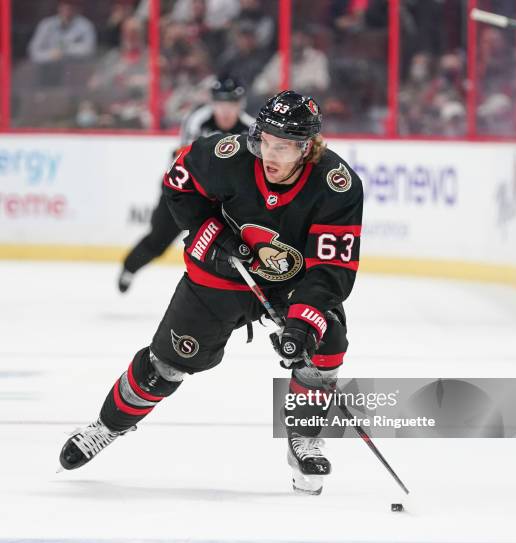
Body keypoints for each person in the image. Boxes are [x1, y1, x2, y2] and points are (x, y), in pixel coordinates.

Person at [59, 90, 364, 496]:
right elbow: (178, 184)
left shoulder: (336, 186)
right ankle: (107, 426)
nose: (270, 156)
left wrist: (301, 323)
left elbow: (330, 269)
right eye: (265, 143)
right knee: (164, 367)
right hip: (218, 278)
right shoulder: (227, 155)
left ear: (307, 149)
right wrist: (210, 236)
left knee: (325, 341)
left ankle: (302, 439)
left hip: (290, 284)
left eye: (284, 148)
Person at [117, 76, 254, 292]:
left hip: (220, 198)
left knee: (229, 246)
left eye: (232, 104)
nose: (226, 111)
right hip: (183, 191)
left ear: (240, 105)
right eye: (221, 104)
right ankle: (129, 267)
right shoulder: (197, 120)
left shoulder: (250, 129)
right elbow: (185, 160)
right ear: (213, 104)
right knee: (158, 240)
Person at [28, 0, 96, 65]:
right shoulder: (47, 25)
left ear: (77, 8)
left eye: (71, 6)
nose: (67, 9)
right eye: (65, 5)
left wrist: (65, 50)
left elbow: (89, 50)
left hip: (75, 68)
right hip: (48, 68)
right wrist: (51, 55)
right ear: (59, 7)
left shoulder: (85, 25)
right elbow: (33, 52)